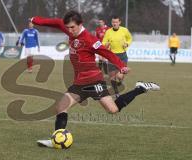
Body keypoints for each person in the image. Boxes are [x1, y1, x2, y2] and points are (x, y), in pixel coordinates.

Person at [30, 11, 160, 148]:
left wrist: (121, 66)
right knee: (61, 107)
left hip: (94, 81)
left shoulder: (90, 39)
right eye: (67, 28)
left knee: (113, 110)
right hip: (79, 83)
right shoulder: (70, 30)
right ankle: (56, 139)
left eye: (72, 27)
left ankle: (140, 88)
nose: (69, 30)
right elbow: (56, 22)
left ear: (80, 25)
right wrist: (35, 19)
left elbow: (106, 52)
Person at [102, 15, 132, 98]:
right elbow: (103, 42)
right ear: (111, 23)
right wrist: (106, 44)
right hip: (112, 56)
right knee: (112, 77)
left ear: (119, 22)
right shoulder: (108, 31)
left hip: (122, 55)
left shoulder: (124, 30)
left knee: (119, 76)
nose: (114, 23)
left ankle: (120, 82)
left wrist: (127, 44)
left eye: (116, 22)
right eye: (113, 22)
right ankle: (116, 93)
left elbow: (130, 38)